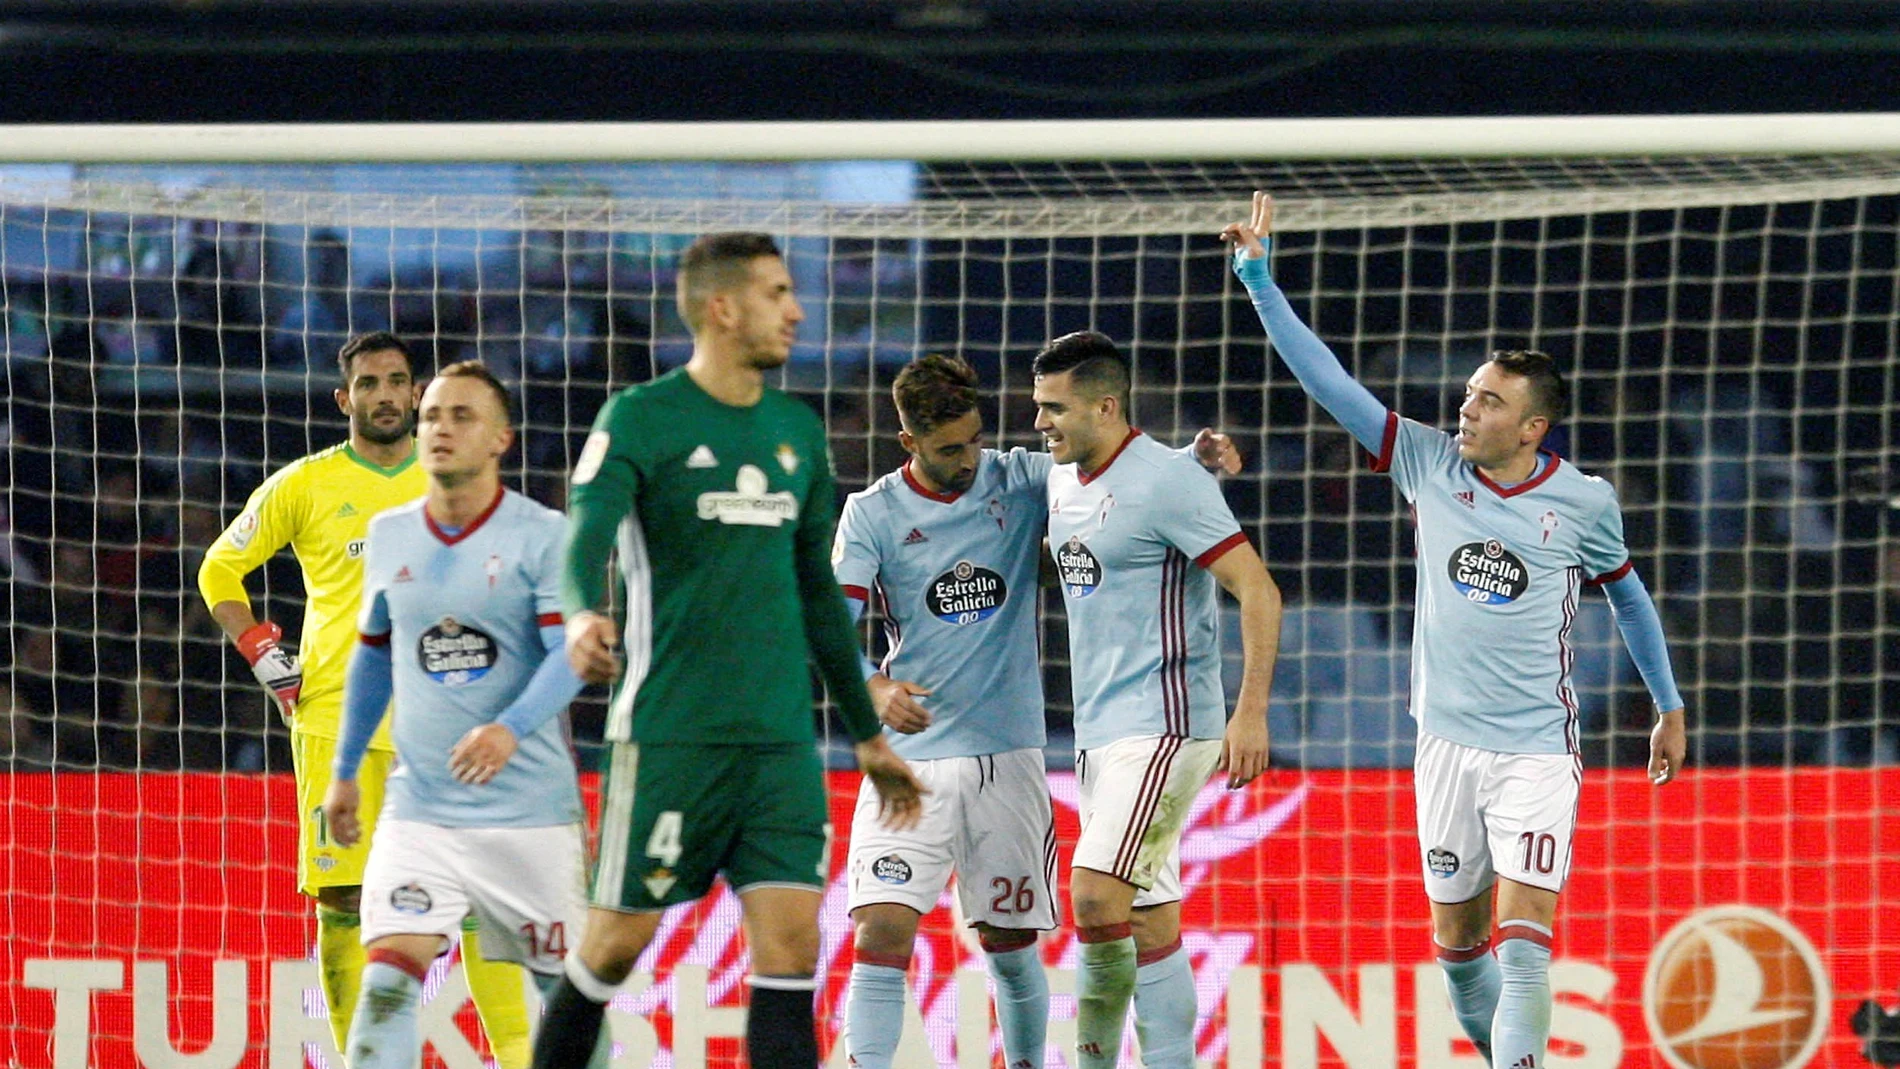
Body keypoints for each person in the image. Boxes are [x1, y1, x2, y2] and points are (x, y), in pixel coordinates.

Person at [1222, 191, 1688, 1069]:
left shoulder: (1584, 501)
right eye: (1469, 394)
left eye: (1487, 401)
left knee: (1524, 940)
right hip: (1443, 746)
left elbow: (1627, 594)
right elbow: (1330, 383)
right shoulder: (1427, 462)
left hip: (1537, 750)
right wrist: (1258, 281)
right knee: (1459, 954)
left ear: (1533, 426)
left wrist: (1667, 703)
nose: (1466, 409)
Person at [530, 232, 927, 1069]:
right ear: (722, 307)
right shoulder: (641, 416)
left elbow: (817, 596)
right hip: (672, 735)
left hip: (780, 747)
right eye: (778, 292)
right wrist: (576, 614)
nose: (797, 311)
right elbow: (584, 535)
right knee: (612, 946)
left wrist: (865, 732)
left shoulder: (795, 428)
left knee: (790, 954)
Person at [832, 353, 1238, 1069]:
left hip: (1009, 759)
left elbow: (1115, 469)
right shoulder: (871, 514)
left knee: (1010, 944)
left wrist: (1191, 458)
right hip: (910, 760)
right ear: (909, 444)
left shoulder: (1017, 480)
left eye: (975, 439)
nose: (969, 458)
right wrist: (867, 681)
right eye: (950, 449)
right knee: (881, 927)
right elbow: (829, 622)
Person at [196, 332, 534, 1062]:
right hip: (334, 725)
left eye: (397, 381)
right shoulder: (305, 484)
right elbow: (220, 568)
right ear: (344, 398)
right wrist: (261, 649)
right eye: (369, 383)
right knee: (348, 902)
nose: (385, 394)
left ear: (416, 394)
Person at [321, 362, 608, 1069]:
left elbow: (567, 654)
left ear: (501, 439)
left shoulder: (544, 534)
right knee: (384, 990)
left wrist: (509, 725)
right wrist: (345, 770)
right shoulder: (390, 535)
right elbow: (374, 657)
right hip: (420, 812)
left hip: (530, 817)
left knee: (566, 1006)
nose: (439, 429)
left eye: (461, 417)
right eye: (431, 417)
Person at [1030, 331, 1282, 1069]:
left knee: (1093, 896)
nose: (1040, 423)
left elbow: (1258, 589)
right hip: (1100, 731)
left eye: (1054, 408)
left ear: (1106, 405)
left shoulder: (1167, 481)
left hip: (1168, 724)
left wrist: (1251, 708)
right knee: (1146, 918)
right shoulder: (1062, 476)